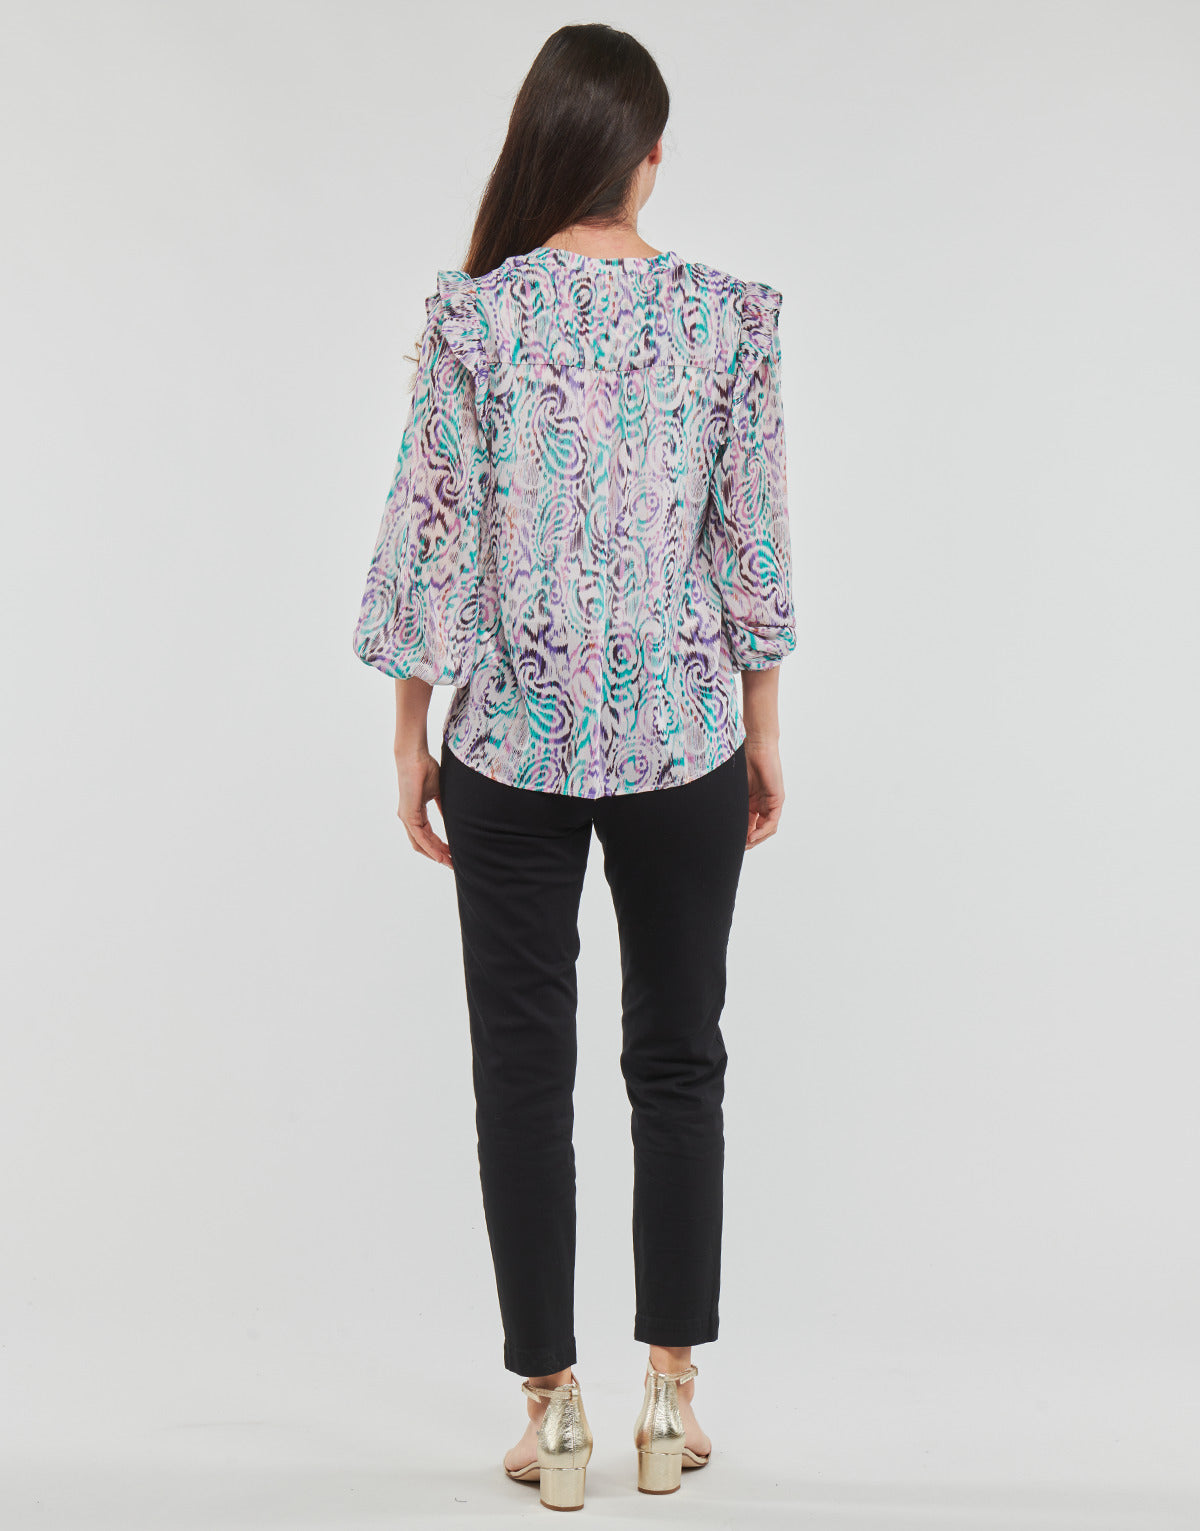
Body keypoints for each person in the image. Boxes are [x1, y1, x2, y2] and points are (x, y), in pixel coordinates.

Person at [351, 21, 796, 1511]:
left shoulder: (476, 318)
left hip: (509, 746)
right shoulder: (728, 318)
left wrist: (410, 737)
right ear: (650, 158)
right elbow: (751, 539)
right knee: (680, 1061)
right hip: (685, 740)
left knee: (521, 1076)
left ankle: (551, 1413)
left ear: (544, 144)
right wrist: (765, 729)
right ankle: (670, 1396)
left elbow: (430, 537)